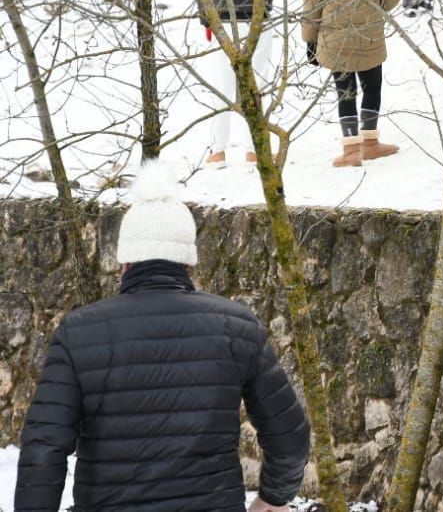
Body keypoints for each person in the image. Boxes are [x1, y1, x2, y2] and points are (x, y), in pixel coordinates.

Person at [13, 159, 310, 512]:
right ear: (187, 261)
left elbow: (44, 448)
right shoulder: (237, 327)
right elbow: (290, 436)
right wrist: (271, 501)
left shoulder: (78, 332)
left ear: (125, 261)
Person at [196, 0, 290, 167]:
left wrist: (207, 20)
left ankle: (217, 150)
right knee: (259, 83)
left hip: (223, 22)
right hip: (257, 20)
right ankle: (254, 149)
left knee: (222, 86)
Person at [303, 0, 402, 168]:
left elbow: (311, 7)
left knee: (345, 92)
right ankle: (370, 144)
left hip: (334, 41)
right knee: (372, 88)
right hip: (369, 36)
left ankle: (350, 150)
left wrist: (310, 41)